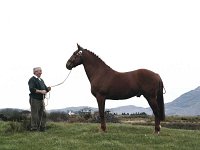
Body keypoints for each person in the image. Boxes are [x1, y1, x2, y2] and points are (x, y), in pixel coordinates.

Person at [28, 67, 51, 131]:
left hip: (41, 99)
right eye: (39, 71)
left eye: (41, 71)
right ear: (35, 72)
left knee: (43, 114)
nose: (41, 72)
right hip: (35, 99)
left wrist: (48, 89)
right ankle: (34, 128)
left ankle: (42, 127)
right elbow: (32, 89)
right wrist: (41, 91)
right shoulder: (32, 79)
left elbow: (45, 89)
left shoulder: (41, 80)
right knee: (35, 114)